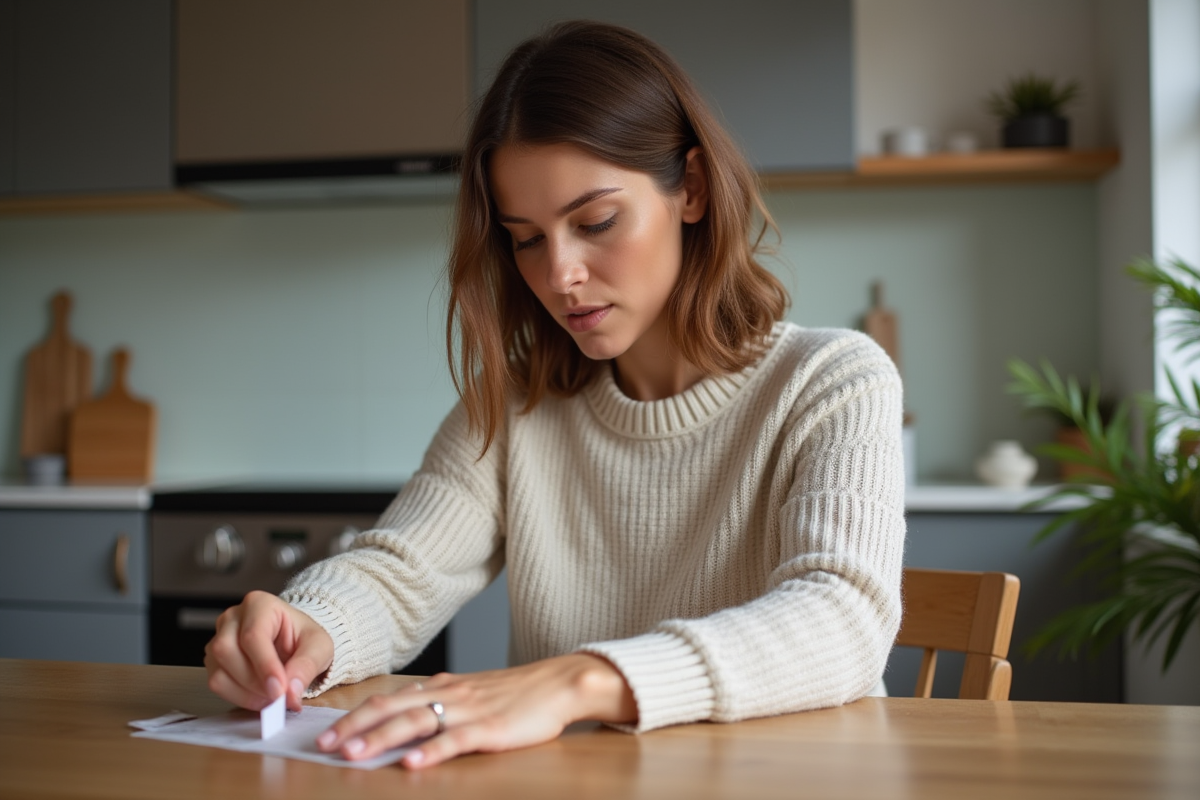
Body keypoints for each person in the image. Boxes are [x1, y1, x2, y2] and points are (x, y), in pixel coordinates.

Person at [204, 20, 906, 769]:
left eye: (595, 222)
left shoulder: (833, 381)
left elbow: (842, 619)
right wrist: (310, 626)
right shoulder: (520, 403)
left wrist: (579, 681)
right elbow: (403, 571)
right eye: (527, 238)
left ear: (693, 190)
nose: (559, 274)